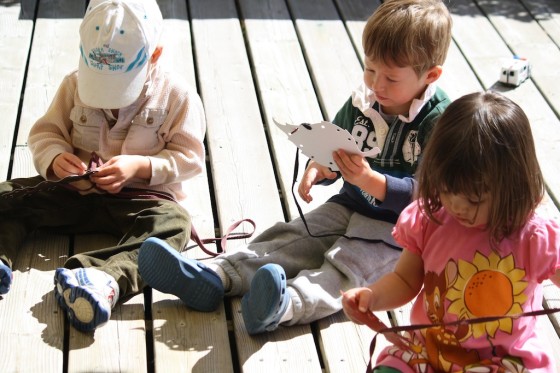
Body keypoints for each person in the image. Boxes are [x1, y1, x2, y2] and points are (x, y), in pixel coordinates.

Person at [138, 0, 453, 334]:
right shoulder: (367, 99)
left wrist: (371, 180)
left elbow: (430, 197)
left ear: (430, 75)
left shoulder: (441, 122)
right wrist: (320, 168)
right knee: (293, 237)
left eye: (391, 77)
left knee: (346, 267)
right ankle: (217, 275)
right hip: (350, 204)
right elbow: (338, 144)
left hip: (397, 231)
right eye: (370, 69)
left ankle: (284, 305)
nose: (377, 84)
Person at [0, 0, 206, 333]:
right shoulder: (73, 84)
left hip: (141, 200)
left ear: (154, 55)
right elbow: (45, 133)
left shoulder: (176, 96)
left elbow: (190, 157)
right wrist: (55, 159)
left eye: (121, 89)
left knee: (174, 226)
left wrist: (140, 167)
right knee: (11, 196)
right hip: (75, 192)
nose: (109, 101)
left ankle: (100, 278)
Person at [342, 91, 560, 372]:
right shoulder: (429, 219)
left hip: (500, 361)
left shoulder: (532, 238)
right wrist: (372, 296)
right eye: (447, 190)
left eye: (475, 199)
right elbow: (406, 281)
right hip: (429, 350)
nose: (457, 206)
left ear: (513, 187)